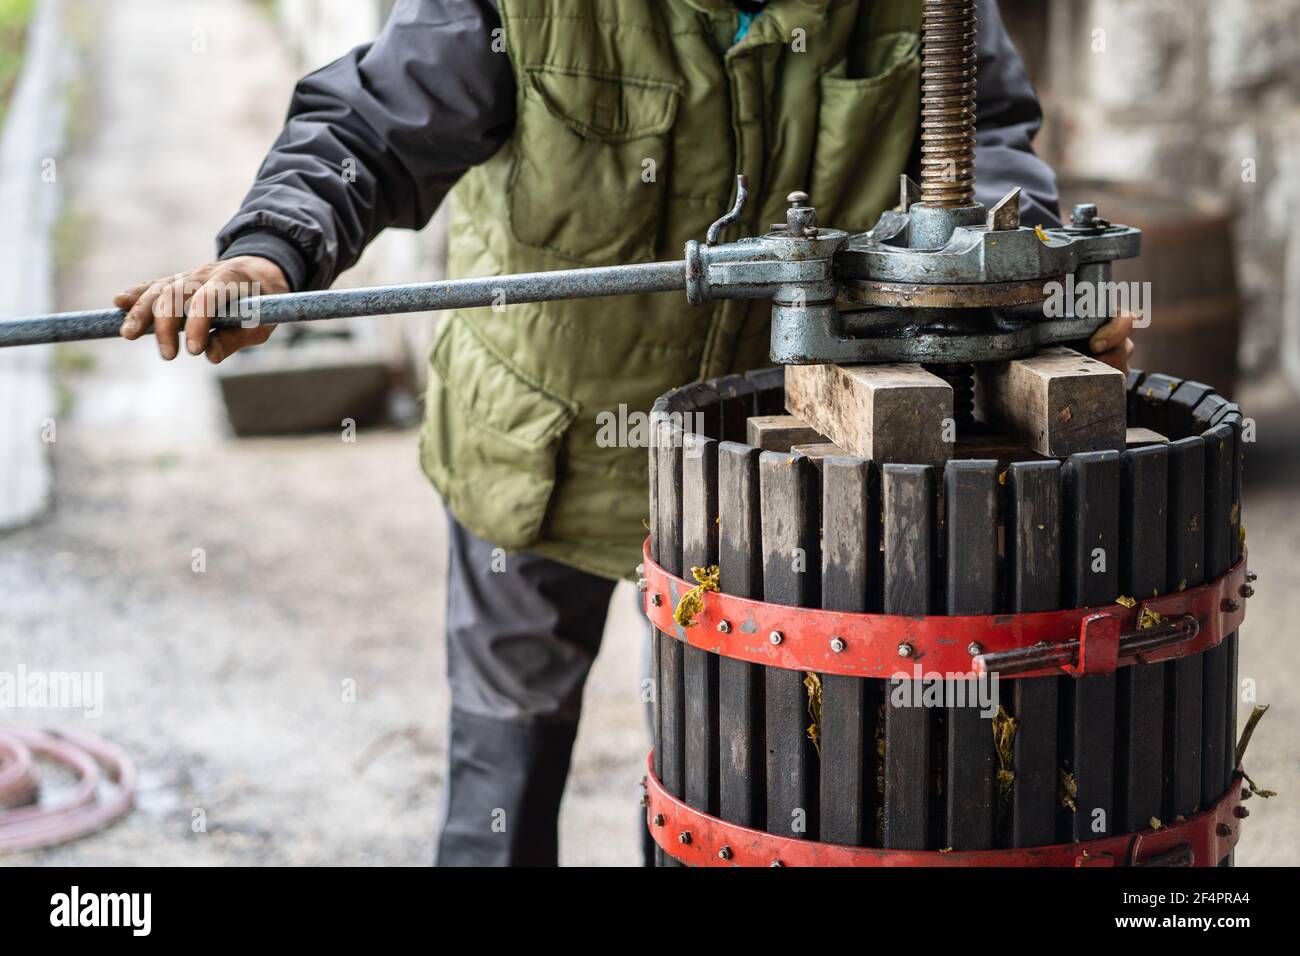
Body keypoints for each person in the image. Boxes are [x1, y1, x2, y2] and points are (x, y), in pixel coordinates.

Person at [114, 0, 1134, 865]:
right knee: (500, 787)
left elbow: (989, 135)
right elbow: (373, 126)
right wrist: (269, 252)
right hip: (538, 450)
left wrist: (1023, 281)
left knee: (726, 791)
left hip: (776, 475)